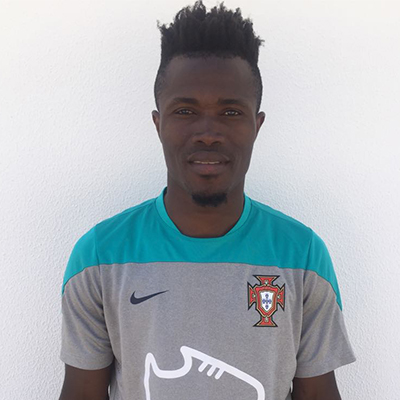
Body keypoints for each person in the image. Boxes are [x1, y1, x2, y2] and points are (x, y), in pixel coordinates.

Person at [59, 1, 356, 399]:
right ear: (158, 123)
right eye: (185, 110)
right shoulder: (100, 256)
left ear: (256, 125)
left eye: (231, 112)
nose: (208, 133)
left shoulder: (301, 256)